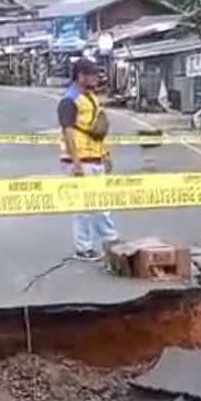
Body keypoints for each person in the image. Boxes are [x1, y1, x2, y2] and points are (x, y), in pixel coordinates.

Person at [58, 58, 119, 261]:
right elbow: (68, 132)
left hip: (95, 158)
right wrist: (75, 162)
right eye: (91, 74)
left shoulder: (90, 97)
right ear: (81, 76)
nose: (95, 78)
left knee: (101, 203)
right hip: (80, 161)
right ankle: (83, 248)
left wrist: (105, 155)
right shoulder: (69, 100)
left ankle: (111, 241)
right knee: (83, 208)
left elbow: (96, 130)